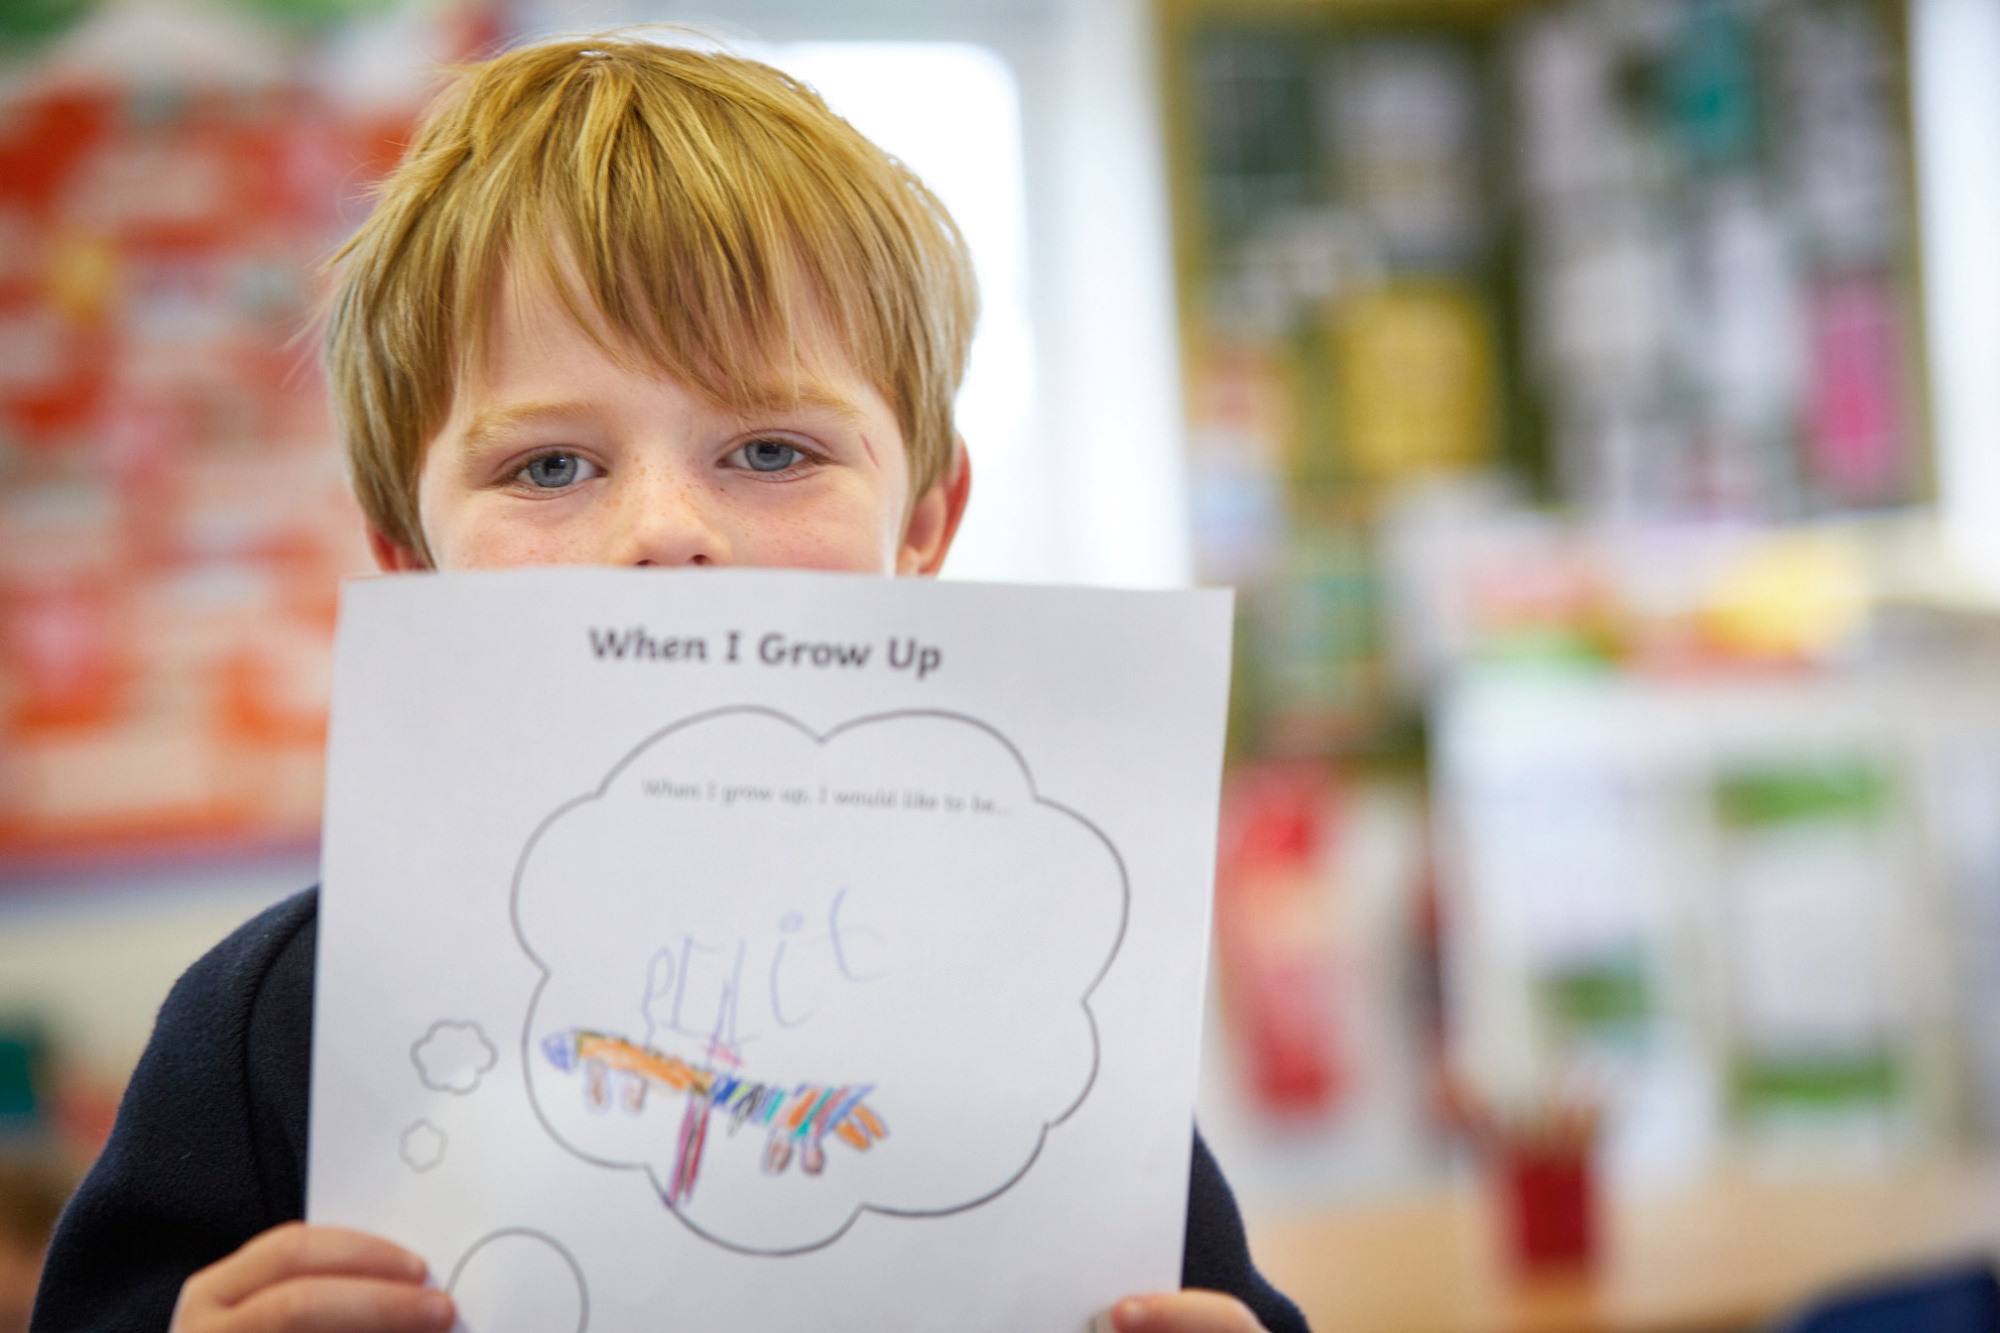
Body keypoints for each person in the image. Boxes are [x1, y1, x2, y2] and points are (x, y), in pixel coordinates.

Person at [32, 34, 1308, 1333]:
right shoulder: (273, 1019)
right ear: (410, 559)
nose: (663, 530)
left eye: (769, 447)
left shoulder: (1039, 994)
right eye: (547, 468)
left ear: (923, 526)